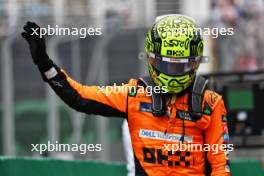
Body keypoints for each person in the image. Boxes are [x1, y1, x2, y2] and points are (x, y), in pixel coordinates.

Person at [22, 14, 230, 176]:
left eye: (181, 66)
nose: (172, 72)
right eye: (166, 64)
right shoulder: (134, 95)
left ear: (194, 63)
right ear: (152, 59)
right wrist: (45, 64)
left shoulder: (210, 102)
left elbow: (220, 165)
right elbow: (79, 97)